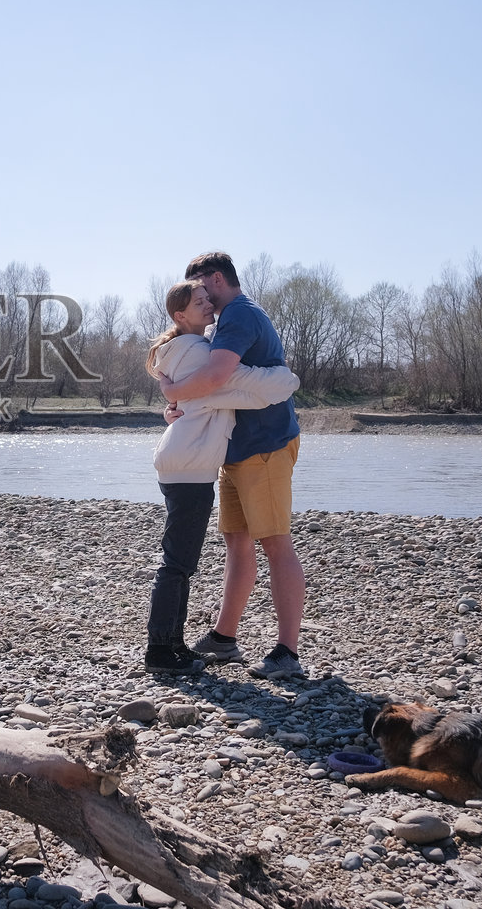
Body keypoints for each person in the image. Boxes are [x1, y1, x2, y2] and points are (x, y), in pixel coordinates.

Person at [158, 252, 306, 680]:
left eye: (203, 288)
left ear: (217, 278)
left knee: (276, 543)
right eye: (195, 295)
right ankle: (225, 638)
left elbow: (217, 377)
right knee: (237, 541)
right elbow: (206, 384)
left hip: (266, 445)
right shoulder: (226, 321)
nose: (201, 296)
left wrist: (174, 394)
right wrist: (175, 402)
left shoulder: (240, 314)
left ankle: (287, 652)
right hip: (236, 449)